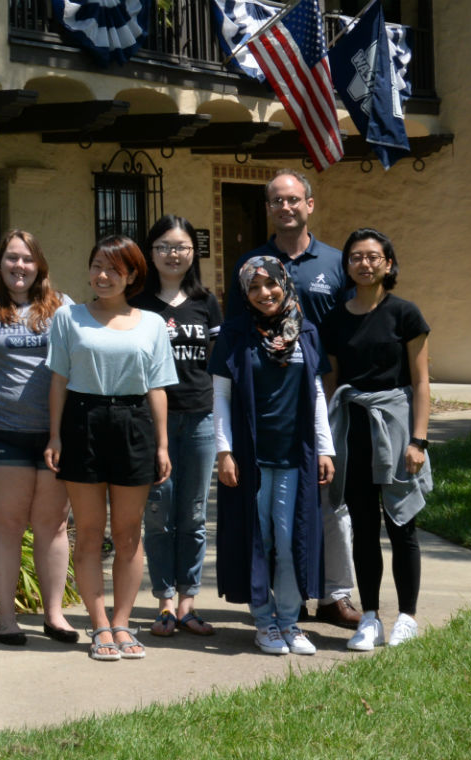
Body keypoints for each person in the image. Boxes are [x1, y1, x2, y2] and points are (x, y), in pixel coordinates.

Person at [228, 168, 361, 628]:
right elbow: (237, 339)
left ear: (310, 205)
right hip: (272, 411)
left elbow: (349, 333)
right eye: (276, 201)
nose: (285, 207)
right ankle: (289, 599)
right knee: (279, 514)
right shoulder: (253, 265)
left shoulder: (335, 263)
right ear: (268, 208)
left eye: (293, 199)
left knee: (330, 502)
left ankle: (334, 593)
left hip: (328, 398)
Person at [44, 235, 177, 662]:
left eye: (114, 269)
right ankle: (98, 625)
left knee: (127, 534)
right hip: (82, 422)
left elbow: (157, 387)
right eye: (96, 266)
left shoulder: (153, 324)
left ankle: (122, 623)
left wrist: (162, 444)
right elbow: (59, 381)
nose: (102, 276)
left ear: (133, 275)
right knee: (87, 534)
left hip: (134, 424)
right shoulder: (69, 318)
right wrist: (55, 435)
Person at [210, 256, 335, 656]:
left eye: (270, 284)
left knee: (290, 537)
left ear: (284, 283)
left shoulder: (307, 332)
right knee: (257, 539)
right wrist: (224, 451)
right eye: (254, 287)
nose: (264, 293)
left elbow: (315, 394)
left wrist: (325, 448)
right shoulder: (234, 334)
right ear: (244, 293)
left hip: (294, 456)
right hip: (250, 457)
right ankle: (263, 623)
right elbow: (221, 398)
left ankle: (289, 621)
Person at [323, 228, 434, 651]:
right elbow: (332, 385)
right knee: (364, 529)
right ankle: (369, 617)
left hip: (397, 430)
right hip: (353, 433)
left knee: (402, 524)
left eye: (373, 257)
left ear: (388, 263)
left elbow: (421, 382)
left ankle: (407, 616)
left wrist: (418, 441)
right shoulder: (334, 319)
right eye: (355, 257)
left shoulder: (405, 314)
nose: (364, 264)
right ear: (347, 265)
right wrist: (329, 445)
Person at [0, 230, 78, 646]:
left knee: (52, 526)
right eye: (12, 258)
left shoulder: (62, 307)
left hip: (54, 436)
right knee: (7, 525)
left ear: (40, 266)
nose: (20, 266)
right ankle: (6, 618)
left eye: (28, 259)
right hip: (3, 433)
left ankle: (54, 616)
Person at [132, 216, 222, 638]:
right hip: (153, 424)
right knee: (159, 514)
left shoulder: (207, 303)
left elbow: (219, 368)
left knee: (194, 514)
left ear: (193, 253)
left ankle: (188, 602)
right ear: (150, 252)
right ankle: (164, 602)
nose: (173, 254)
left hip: (200, 417)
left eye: (182, 246)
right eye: (165, 246)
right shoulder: (137, 303)